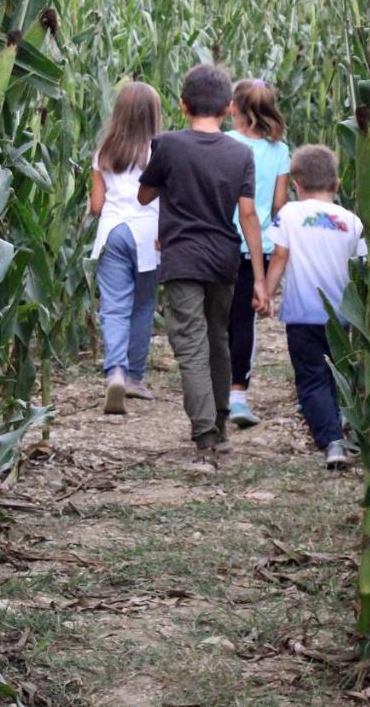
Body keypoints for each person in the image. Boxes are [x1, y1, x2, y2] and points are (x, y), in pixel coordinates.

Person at [137, 64, 268, 453]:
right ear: (229, 107)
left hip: (181, 259)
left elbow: (144, 195)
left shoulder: (168, 145)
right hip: (224, 260)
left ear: (182, 105)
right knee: (218, 339)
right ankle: (222, 420)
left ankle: (206, 432)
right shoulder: (241, 153)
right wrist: (259, 279)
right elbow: (248, 216)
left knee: (191, 344)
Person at [264, 145, 365, 469]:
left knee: (311, 378)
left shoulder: (290, 215)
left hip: (302, 313)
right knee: (336, 374)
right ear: (336, 185)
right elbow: (363, 265)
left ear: (296, 184)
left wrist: (265, 292)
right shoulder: (351, 220)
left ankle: (332, 441)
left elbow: (279, 256)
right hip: (342, 316)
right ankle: (340, 428)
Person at [88, 81, 163, 415]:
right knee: (143, 306)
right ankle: (134, 377)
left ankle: (114, 370)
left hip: (113, 231)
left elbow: (95, 205)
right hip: (149, 235)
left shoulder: (104, 152)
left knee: (114, 306)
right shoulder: (160, 151)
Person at [225, 78, 290, 429]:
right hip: (258, 247)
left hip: (221, 241)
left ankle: (213, 391)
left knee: (217, 317)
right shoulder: (280, 151)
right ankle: (237, 398)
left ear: (233, 107)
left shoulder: (224, 143)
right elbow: (280, 204)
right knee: (242, 321)